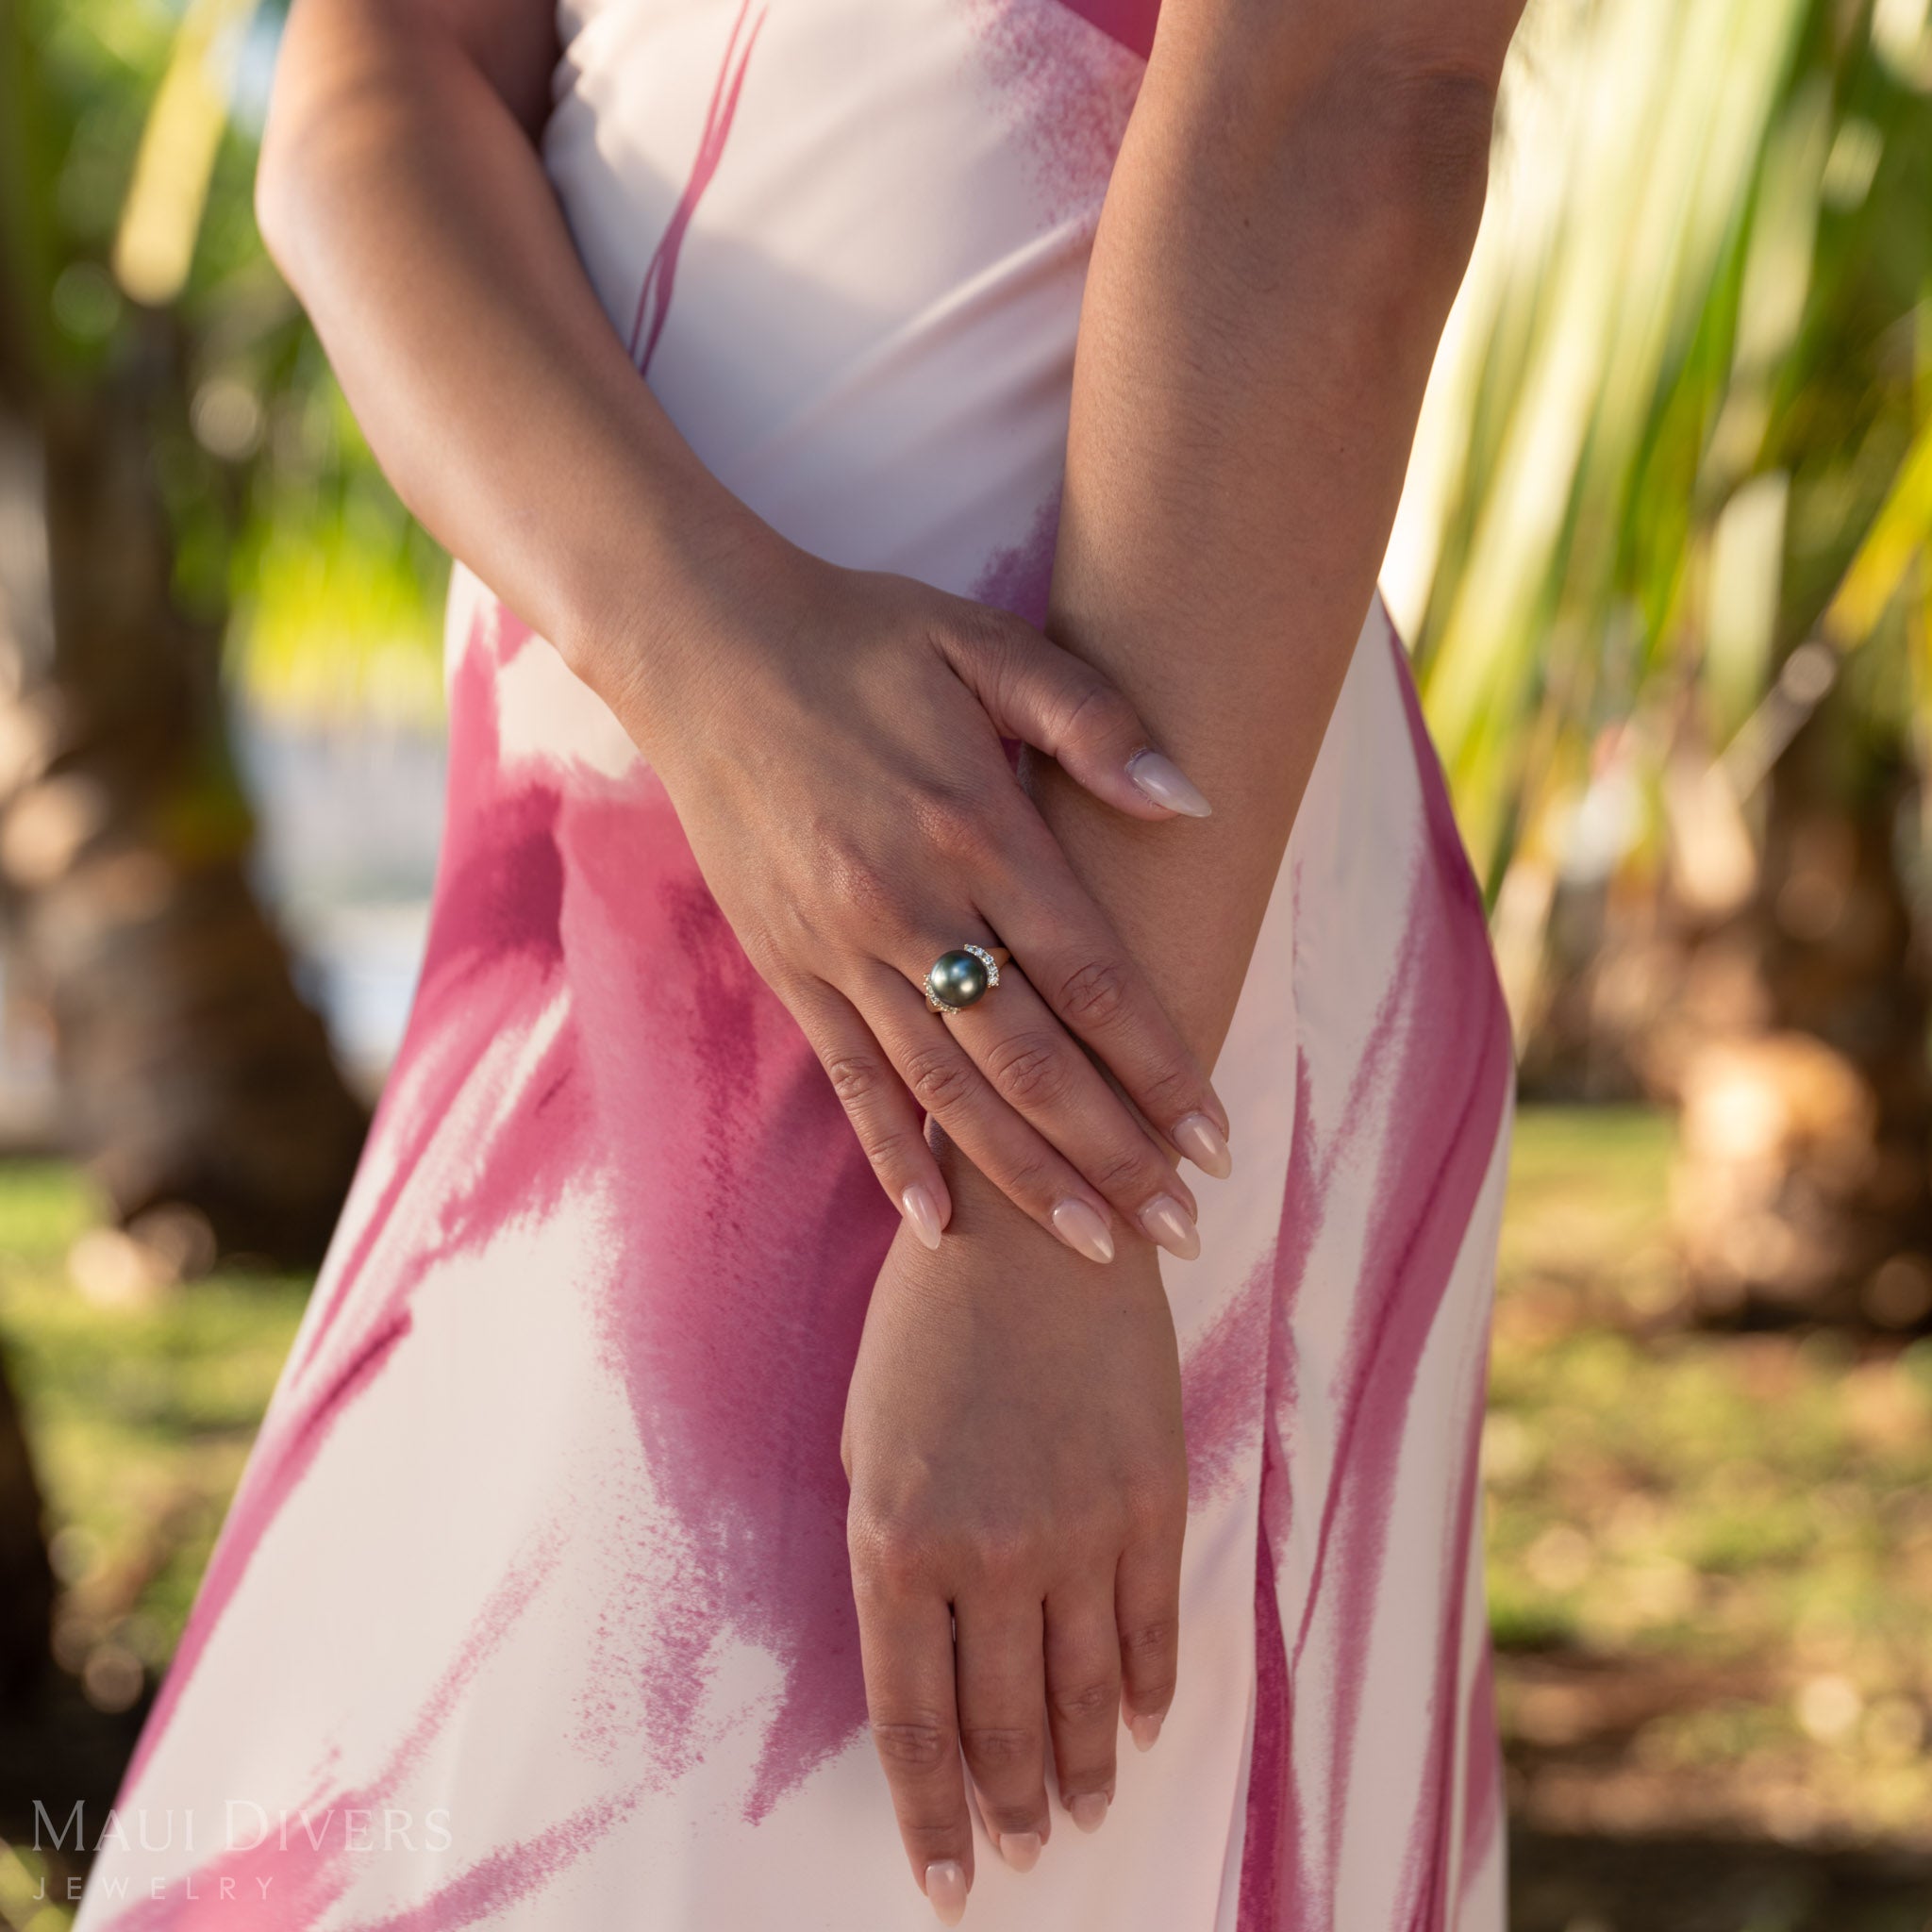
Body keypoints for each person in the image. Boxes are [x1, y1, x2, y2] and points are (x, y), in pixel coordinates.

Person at [77, 0, 1524, 1924]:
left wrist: (1044, 1227)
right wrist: (700, 654)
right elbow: (375, 74)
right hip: (595, 866)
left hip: (1078, 928)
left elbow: (1351, 89)